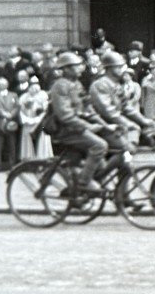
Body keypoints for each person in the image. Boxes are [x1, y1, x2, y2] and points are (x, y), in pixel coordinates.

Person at [47, 52, 112, 191]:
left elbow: (88, 108)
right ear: (66, 69)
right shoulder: (59, 86)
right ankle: (84, 183)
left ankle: (101, 187)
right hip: (66, 130)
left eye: (80, 65)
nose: (80, 68)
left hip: (78, 128)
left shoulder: (77, 84)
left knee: (103, 158)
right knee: (100, 146)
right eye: (76, 66)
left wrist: (105, 126)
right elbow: (65, 116)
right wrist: (88, 126)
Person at [17, 76, 48, 161]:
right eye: (31, 87)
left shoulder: (43, 96)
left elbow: (45, 110)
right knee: (27, 138)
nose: (33, 89)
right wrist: (26, 118)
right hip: (27, 121)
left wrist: (38, 119)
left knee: (42, 138)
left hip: (40, 122)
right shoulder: (24, 97)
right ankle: (28, 158)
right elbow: (20, 110)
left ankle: (42, 159)